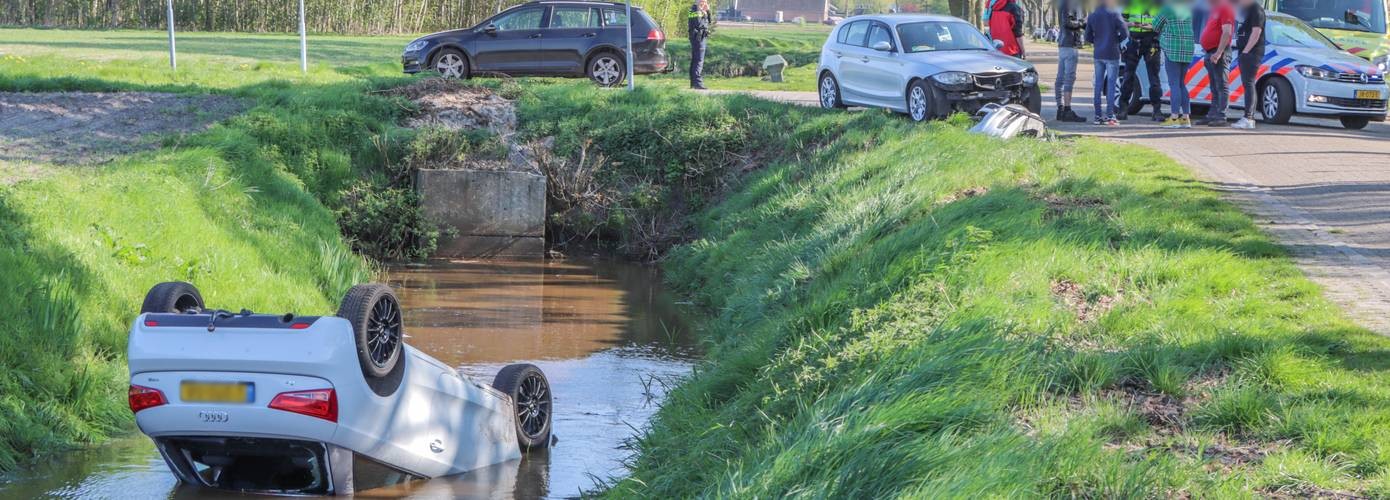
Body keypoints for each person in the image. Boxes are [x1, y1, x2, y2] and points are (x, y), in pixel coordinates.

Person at [1086, 0, 1129, 125]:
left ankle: (1097, 116)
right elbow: (1125, 31)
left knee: (1098, 85)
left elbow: (1087, 36)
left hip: (1098, 53)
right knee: (1111, 85)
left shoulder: (1093, 15)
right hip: (1112, 53)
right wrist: (1117, 40)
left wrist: (1097, 42)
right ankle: (1110, 115)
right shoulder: (1114, 13)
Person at [1119, 0, 1163, 120]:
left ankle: (1157, 110)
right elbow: (1121, 20)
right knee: (1128, 75)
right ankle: (1123, 108)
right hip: (1134, 40)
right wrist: (1131, 24)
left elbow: (1164, 22)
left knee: (1154, 78)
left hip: (1152, 41)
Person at [1154, 0, 1195, 128]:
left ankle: (1174, 118)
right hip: (1187, 49)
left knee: (1174, 84)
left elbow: (1155, 26)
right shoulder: (1186, 9)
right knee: (1182, 84)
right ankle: (1186, 118)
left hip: (1172, 49)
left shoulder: (1167, 8)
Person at [1195, 0, 1235, 126]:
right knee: (1214, 87)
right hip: (1211, 52)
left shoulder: (1225, 8)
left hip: (1219, 52)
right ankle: (1212, 114)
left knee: (1221, 86)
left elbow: (1227, 32)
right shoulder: (1215, 9)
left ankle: (1221, 116)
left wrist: (1218, 53)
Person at [1232, 0, 1266, 129]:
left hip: (1251, 53)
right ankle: (1248, 116)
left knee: (1249, 83)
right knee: (1248, 84)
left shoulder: (1256, 9)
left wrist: (1246, 51)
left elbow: (1256, 32)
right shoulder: (1248, 10)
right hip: (1246, 52)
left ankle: (1248, 117)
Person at [1055, 0, 1088, 122]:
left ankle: (1061, 109)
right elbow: (1068, 23)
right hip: (1070, 44)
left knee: (1061, 78)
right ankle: (1067, 110)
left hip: (1064, 43)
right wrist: (1082, 22)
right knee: (1069, 78)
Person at [687, 0, 712, 90]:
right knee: (698, 61)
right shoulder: (695, 10)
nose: (704, 2)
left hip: (701, 38)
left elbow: (709, 21)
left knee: (696, 60)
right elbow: (698, 24)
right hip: (698, 38)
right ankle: (697, 83)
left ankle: (693, 83)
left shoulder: (700, 9)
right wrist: (703, 13)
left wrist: (707, 11)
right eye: (702, 0)